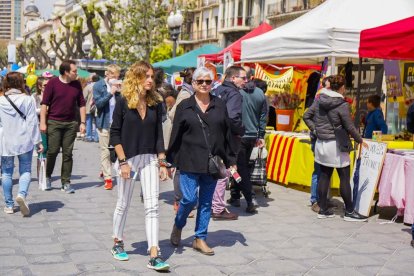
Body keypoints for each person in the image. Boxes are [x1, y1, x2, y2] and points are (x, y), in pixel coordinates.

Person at [168, 67, 236, 254]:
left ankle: (200, 238)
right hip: (188, 160)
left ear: (213, 83)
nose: (205, 84)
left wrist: (230, 158)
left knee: (205, 202)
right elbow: (175, 135)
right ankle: (179, 224)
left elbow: (227, 133)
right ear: (193, 83)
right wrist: (168, 160)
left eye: (208, 81)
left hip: (211, 162)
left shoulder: (220, 104)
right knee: (189, 199)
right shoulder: (185, 106)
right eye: (200, 81)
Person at [109, 61, 169, 271]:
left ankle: (154, 253)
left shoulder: (156, 103)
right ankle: (117, 242)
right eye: (147, 77)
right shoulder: (123, 101)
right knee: (123, 202)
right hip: (128, 158)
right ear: (136, 78)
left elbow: (159, 135)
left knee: (152, 206)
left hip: (150, 158)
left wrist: (162, 162)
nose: (151, 81)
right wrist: (123, 161)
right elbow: (115, 133)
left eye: (152, 77)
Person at [303, 75, 367, 222]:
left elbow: (306, 116)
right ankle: (350, 211)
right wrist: (360, 140)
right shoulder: (342, 104)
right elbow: (349, 126)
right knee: (344, 178)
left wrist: (315, 130)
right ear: (342, 87)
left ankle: (323, 209)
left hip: (321, 144)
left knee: (324, 176)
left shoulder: (319, 100)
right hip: (336, 145)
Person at [0, 72, 43, 216]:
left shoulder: (1, 100)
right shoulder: (28, 99)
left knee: (6, 173)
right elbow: (32, 122)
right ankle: (22, 195)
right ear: (21, 83)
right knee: (25, 170)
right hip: (24, 140)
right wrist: (38, 141)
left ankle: (9, 205)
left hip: (6, 141)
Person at [40, 60, 86, 193]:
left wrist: (82, 123)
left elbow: (82, 104)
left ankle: (65, 182)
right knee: (52, 151)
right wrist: (43, 123)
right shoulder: (52, 83)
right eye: (74, 71)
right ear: (66, 72)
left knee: (68, 154)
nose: (76, 74)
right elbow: (44, 104)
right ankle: (48, 176)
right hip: (54, 122)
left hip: (71, 124)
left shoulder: (77, 85)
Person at [228, 66, 267, 214]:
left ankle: (249, 199)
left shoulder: (236, 92)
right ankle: (235, 195)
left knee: (239, 168)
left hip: (239, 136)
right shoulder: (260, 94)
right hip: (251, 136)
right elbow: (263, 116)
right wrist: (260, 135)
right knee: (240, 167)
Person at [211, 66, 246, 219]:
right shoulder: (234, 94)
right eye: (243, 78)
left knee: (216, 170)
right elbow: (232, 117)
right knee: (224, 172)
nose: (246, 81)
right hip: (227, 137)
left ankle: (213, 204)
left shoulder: (218, 90)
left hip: (215, 135)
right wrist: (241, 130)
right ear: (233, 78)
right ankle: (218, 207)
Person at [168, 67, 196, 215]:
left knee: (183, 169)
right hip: (182, 136)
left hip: (186, 136)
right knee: (180, 170)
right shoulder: (186, 94)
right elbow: (173, 115)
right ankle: (179, 202)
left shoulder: (188, 92)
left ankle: (184, 200)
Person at [93, 64, 122, 190]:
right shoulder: (98, 86)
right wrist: (111, 93)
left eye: (117, 76)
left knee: (115, 149)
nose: (115, 78)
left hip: (117, 123)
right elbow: (99, 104)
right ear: (107, 74)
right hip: (104, 122)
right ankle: (108, 178)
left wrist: (120, 93)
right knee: (105, 150)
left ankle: (104, 169)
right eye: (113, 76)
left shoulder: (119, 87)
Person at [83, 74, 100, 143]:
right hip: (98, 107)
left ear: (92, 79)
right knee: (96, 122)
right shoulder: (100, 87)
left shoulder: (88, 86)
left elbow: (84, 97)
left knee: (89, 122)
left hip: (88, 107)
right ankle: (96, 137)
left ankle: (89, 137)